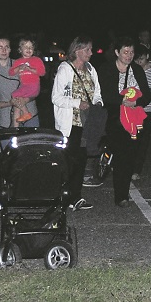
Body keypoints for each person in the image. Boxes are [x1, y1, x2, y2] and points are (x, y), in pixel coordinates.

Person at [51, 37, 101, 210]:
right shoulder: (65, 69)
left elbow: (97, 93)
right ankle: (63, 196)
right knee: (67, 160)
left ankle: (76, 196)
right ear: (77, 50)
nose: (91, 53)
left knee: (80, 159)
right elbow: (56, 97)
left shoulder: (90, 69)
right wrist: (76, 103)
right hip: (70, 123)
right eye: (87, 49)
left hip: (86, 123)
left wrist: (98, 104)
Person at [107, 39, 151, 206]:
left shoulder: (137, 70)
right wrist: (122, 100)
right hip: (115, 119)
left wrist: (136, 102)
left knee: (129, 156)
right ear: (117, 52)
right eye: (125, 52)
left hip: (134, 119)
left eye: (131, 52)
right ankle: (121, 194)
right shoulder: (108, 69)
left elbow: (147, 95)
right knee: (120, 156)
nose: (129, 56)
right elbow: (106, 94)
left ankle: (123, 193)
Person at [10, 38, 45, 127]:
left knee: (15, 95)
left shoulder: (36, 60)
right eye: (26, 47)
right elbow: (11, 72)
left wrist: (30, 69)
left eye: (31, 47)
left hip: (33, 85)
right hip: (24, 86)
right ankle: (15, 129)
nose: (29, 49)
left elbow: (42, 72)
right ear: (20, 50)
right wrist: (19, 68)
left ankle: (26, 112)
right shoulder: (18, 61)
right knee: (17, 104)